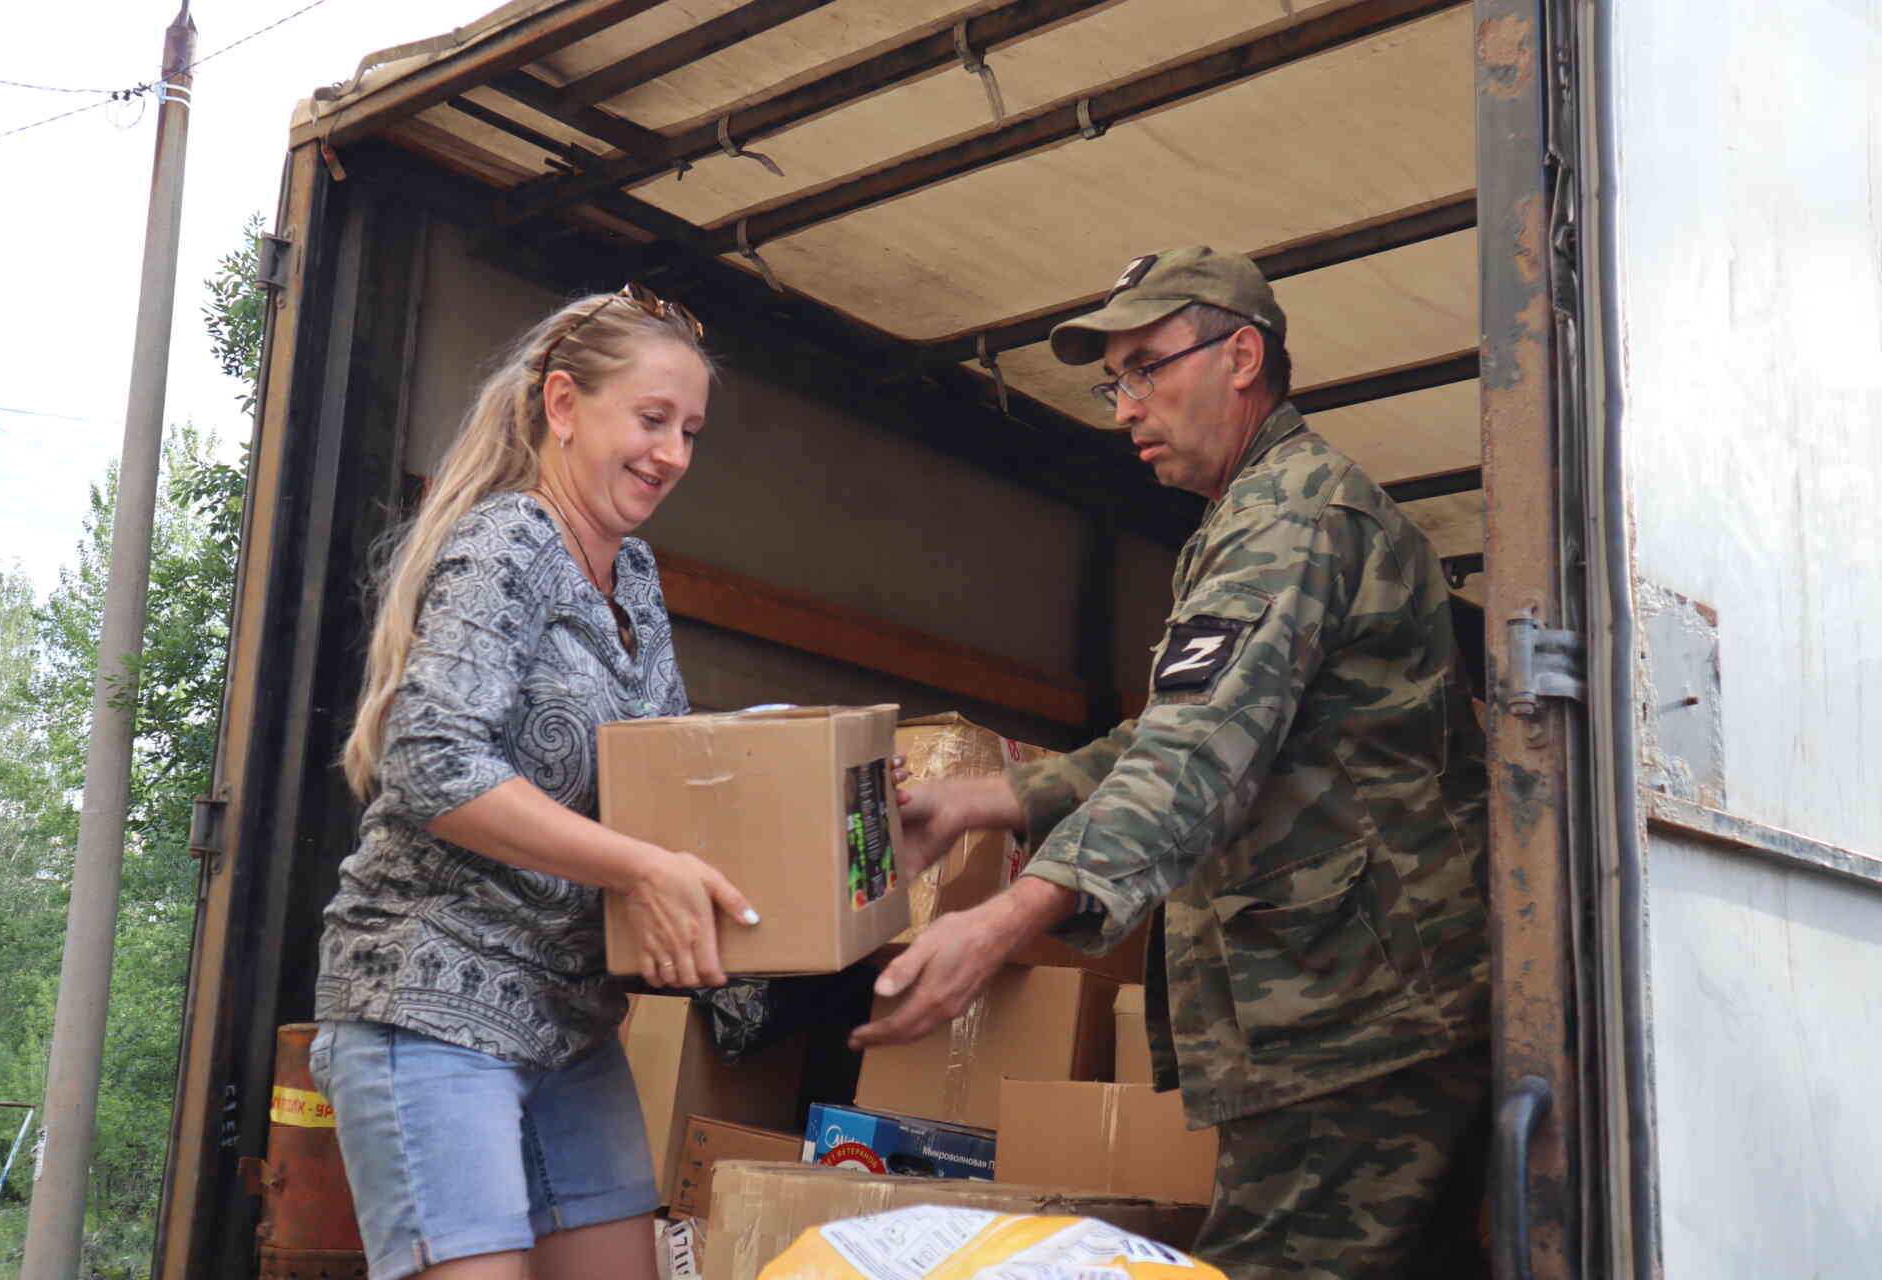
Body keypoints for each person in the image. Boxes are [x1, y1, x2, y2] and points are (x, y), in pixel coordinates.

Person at [851, 248, 1492, 1278]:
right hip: (1351, 1012)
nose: (1124, 407)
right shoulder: (1249, 518)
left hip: (1356, 1022)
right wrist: (989, 796)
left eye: (1148, 366)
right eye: (1116, 381)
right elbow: (1172, 730)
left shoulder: (1292, 519)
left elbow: (1196, 751)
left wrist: (1010, 915)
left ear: (1243, 355)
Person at [311, 285, 759, 1280]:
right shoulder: (507, 540)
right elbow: (432, 761)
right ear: (563, 404)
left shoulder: (635, 576)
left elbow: (670, 783)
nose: (673, 453)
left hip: (569, 1022)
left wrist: (845, 816)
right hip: (433, 1001)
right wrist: (641, 867)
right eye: (651, 419)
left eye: (690, 429)